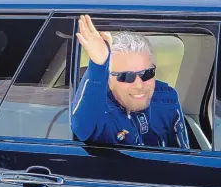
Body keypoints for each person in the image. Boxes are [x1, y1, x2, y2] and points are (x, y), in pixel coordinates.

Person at [71, 15, 189, 148]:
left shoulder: (166, 96)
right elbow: (82, 128)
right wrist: (99, 64)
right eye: (126, 77)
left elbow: (185, 157)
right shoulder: (99, 106)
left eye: (147, 73)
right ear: (108, 78)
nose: (139, 85)